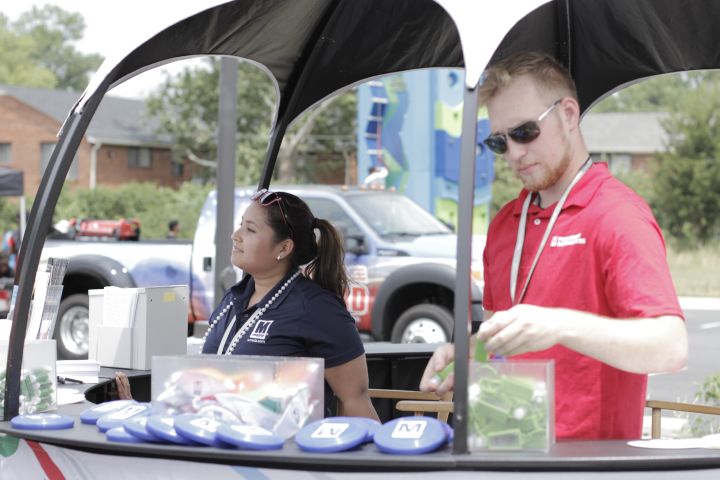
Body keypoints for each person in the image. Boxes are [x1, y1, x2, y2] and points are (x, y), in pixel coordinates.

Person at [420, 51, 687, 440]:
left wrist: (561, 325)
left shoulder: (617, 215)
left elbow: (670, 346)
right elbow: (505, 339)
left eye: (525, 132)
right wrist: (468, 355)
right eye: (498, 142)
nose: (514, 153)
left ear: (568, 114)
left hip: (587, 465)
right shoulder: (505, 223)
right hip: (506, 451)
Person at [200, 189, 379, 420]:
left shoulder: (317, 308)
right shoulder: (234, 298)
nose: (236, 235)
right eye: (240, 225)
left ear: (284, 248)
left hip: (282, 449)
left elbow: (355, 399)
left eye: (250, 229)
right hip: (215, 439)